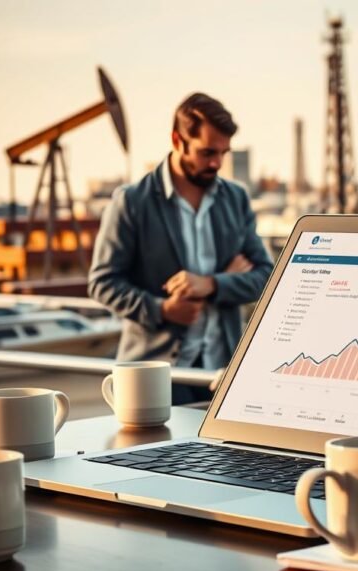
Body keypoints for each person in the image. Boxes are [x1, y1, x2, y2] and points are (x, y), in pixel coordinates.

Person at [88, 93, 274, 405]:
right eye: (207, 152)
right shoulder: (132, 202)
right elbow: (102, 282)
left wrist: (213, 284)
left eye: (223, 153)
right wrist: (163, 309)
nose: (217, 163)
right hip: (156, 376)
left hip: (223, 374)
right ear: (178, 140)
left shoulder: (236, 199)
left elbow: (266, 276)